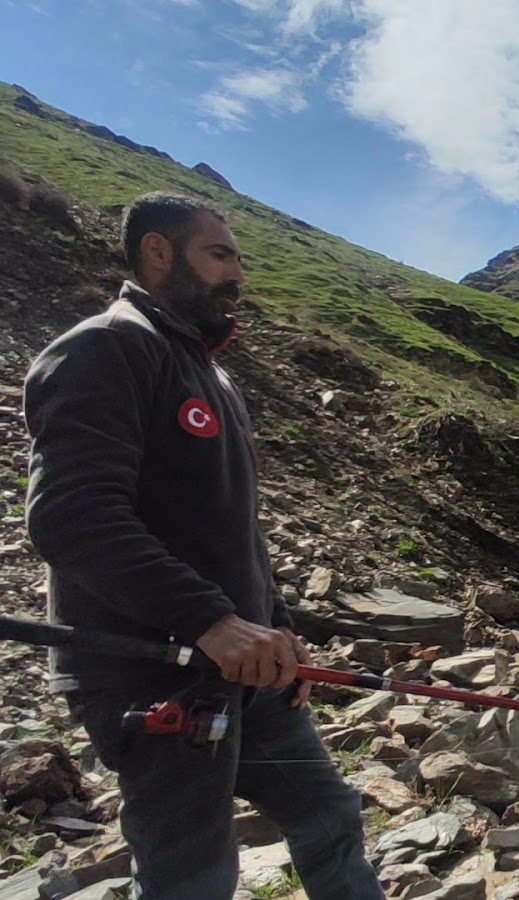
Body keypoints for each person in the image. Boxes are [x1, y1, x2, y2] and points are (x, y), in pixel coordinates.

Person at [22, 191, 384, 899]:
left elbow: (230, 529)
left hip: (249, 670)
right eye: (219, 254)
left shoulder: (212, 374)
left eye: (238, 259)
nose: (237, 275)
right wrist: (210, 621)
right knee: (190, 873)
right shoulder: (105, 348)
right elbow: (71, 517)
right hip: (156, 672)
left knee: (328, 815)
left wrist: (278, 627)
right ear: (158, 253)